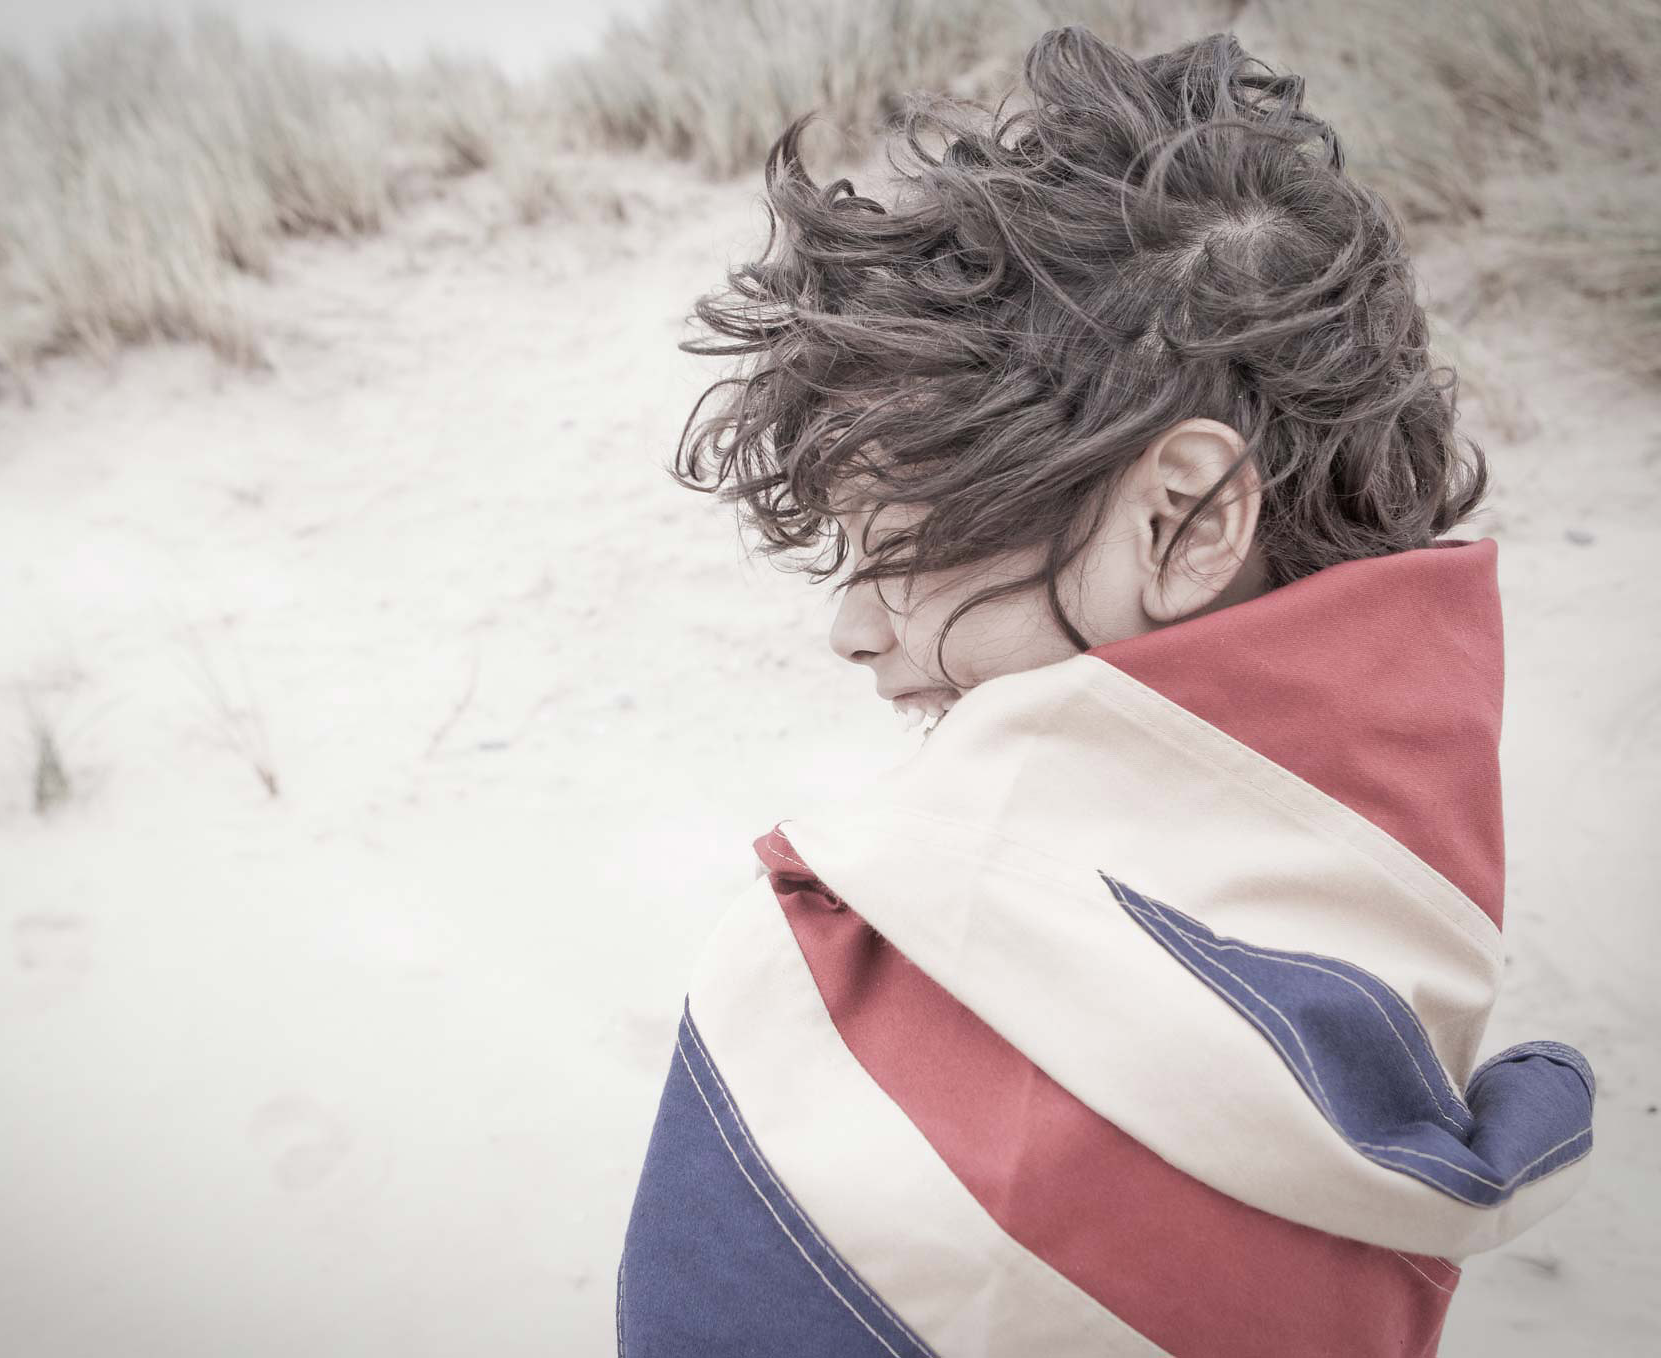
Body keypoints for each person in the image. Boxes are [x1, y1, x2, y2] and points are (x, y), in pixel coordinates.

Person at [615, 25, 1596, 1358]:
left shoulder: (813, 1000)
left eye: (902, 555)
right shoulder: (1410, 921)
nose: (854, 631)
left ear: (1184, 520)